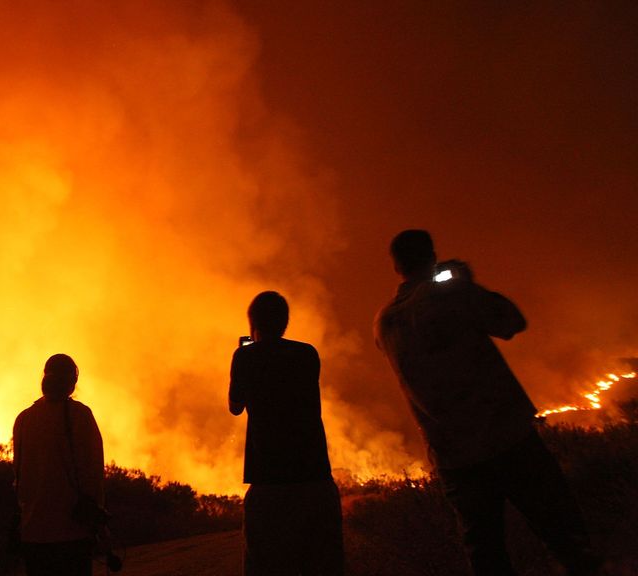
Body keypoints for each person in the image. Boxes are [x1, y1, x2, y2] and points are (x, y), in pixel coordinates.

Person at [374, 229, 602, 576]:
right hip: (505, 437)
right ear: (432, 256)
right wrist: (466, 283)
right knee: (565, 535)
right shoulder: (450, 295)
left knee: (486, 554)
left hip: (454, 456)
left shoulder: (384, 321)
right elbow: (512, 322)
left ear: (395, 266)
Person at [229, 291, 344, 576]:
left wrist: (248, 351)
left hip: (269, 481)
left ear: (252, 323)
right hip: (314, 475)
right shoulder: (307, 353)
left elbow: (235, 406)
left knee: (265, 564)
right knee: (321, 564)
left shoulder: (245, 356)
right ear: (285, 323)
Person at [13, 354, 104, 576]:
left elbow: (19, 476)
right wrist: (99, 520)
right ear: (72, 381)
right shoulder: (80, 415)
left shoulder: (24, 419)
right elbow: (93, 472)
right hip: (72, 531)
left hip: (33, 532)